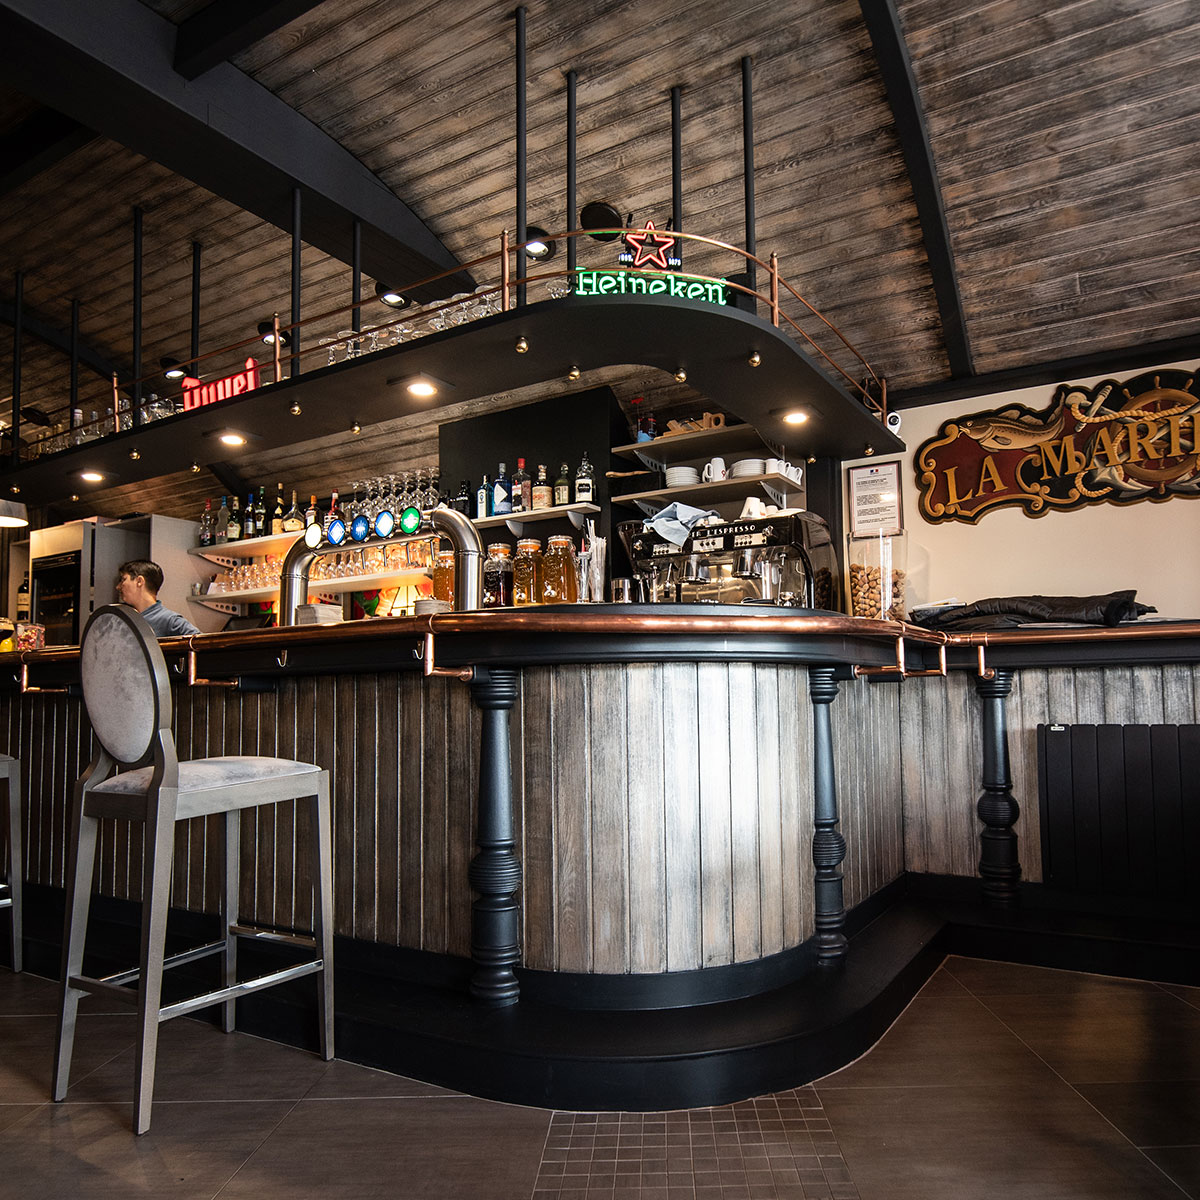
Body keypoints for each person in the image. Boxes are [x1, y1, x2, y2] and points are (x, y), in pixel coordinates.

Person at [115, 560, 200, 638]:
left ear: (139, 581)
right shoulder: (122, 618)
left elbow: (201, 642)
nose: (118, 587)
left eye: (123, 580)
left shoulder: (169, 620)